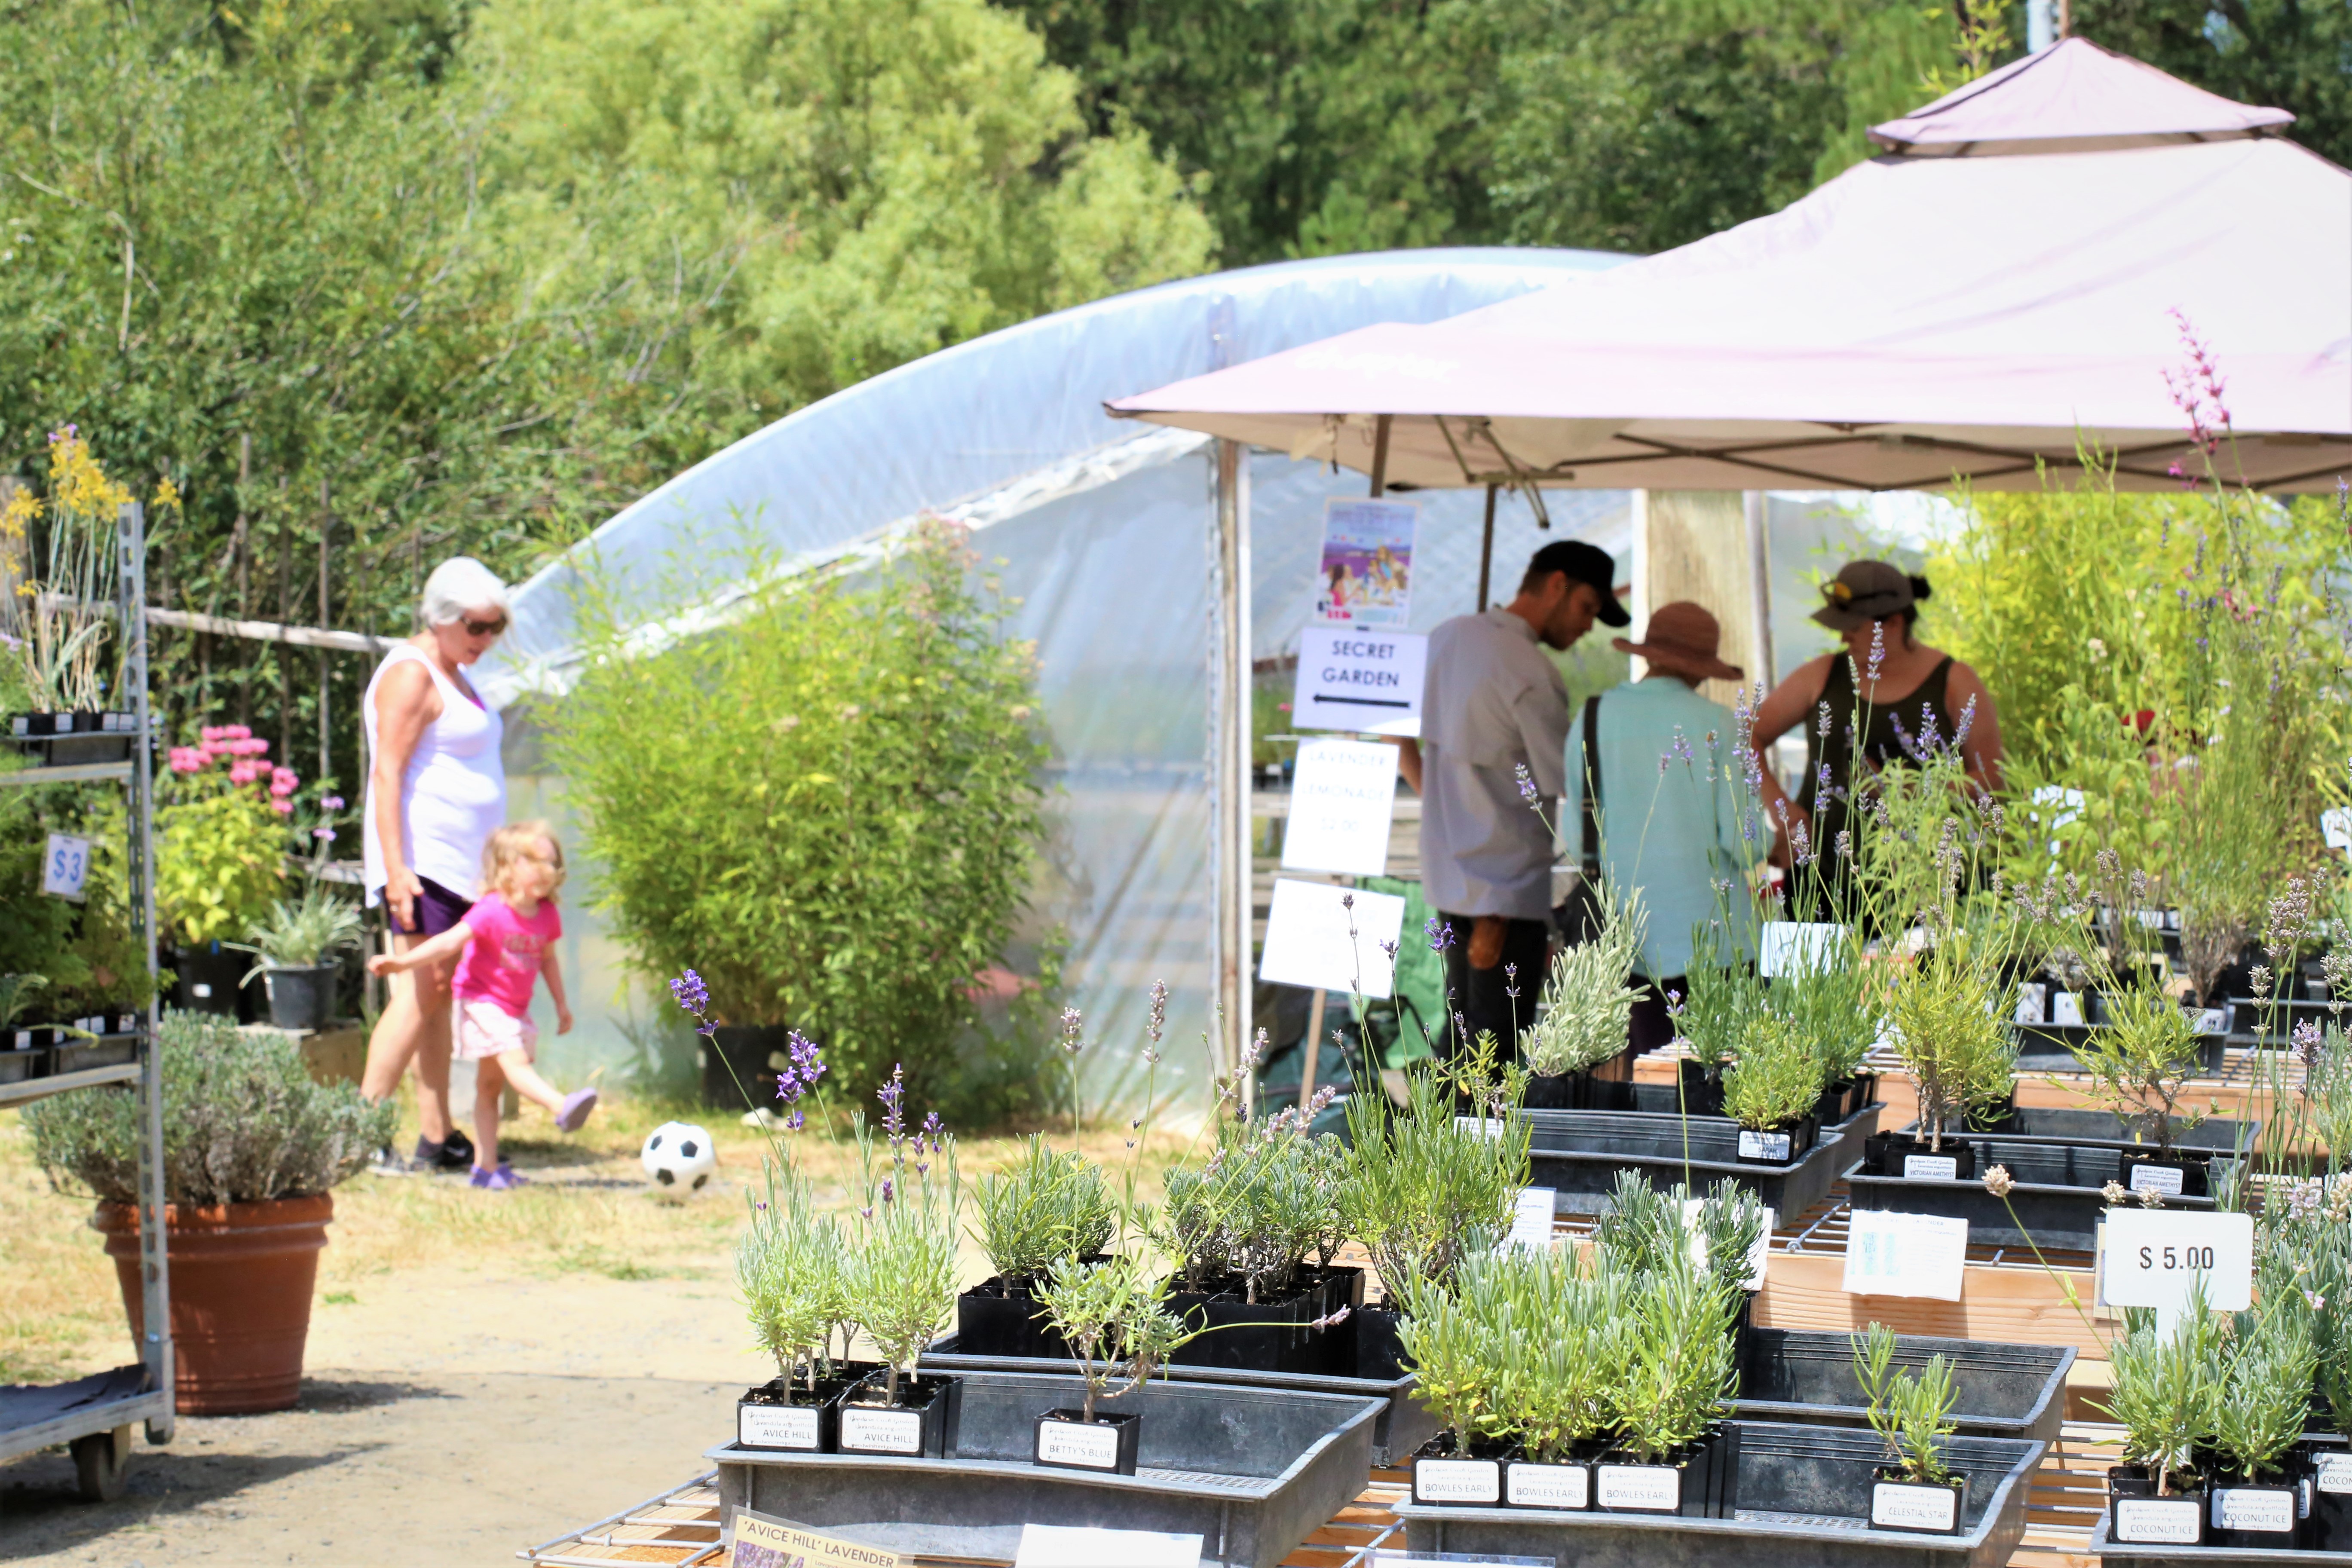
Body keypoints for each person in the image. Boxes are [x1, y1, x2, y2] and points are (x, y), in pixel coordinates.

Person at [1397, 539, 1628, 1072]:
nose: (1589, 626)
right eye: (1588, 608)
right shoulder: (1530, 673)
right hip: (1507, 898)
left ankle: (1439, 1154)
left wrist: (1443, 810)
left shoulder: (1445, 638)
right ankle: (1474, 1157)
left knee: (1461, 1046)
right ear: (1556, 585)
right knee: (1494, 1065)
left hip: (1450, 885)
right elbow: (1567, 785)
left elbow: (1401, 743)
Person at [360, 557, 512, 1173]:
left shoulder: (454, 670)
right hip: (423, 864)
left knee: (437, 995)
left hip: (460, 867)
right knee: (418, 994)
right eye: (477, 627)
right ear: (442, 618)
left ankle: (435, 1135)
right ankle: (358, 1130)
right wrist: (397, 870)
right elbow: (387, 773)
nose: (487, 640)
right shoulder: (411, 675)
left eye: (497, 627)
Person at [1746, 560, 2004, 913]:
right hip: (1824, 878)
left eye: (1852, 626)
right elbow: (1747, 738)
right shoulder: (1822, 675)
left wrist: (1909, 789)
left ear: (1894, 623)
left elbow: (1993, 781)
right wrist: (1783, 811)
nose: (1843, 636)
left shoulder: (1954, 681)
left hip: (1925, 881)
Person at [1560, 602, 1760, 1056]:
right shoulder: (1720, 724)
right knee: (1717, 1087)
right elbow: (1744, 842)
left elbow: (1576, 840)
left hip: (1622, 939)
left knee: (1639, 1088)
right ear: (1704, 667)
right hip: (1716, 938)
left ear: (1649, 654)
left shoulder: (1590, 718)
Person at [366, 822, 597, 1188]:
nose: (549, 872)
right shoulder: (490, 911)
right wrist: (402, 964)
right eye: (538, 862)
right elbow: (447, 943)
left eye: (554, 863)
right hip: (482, 1003)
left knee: (490, 1089)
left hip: (515, 1008)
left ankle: (485, 1168)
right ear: (508, 866)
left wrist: (562, 1005)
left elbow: (549, 960)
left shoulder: (546, 915)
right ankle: (559, 1105)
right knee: (514, 1063)